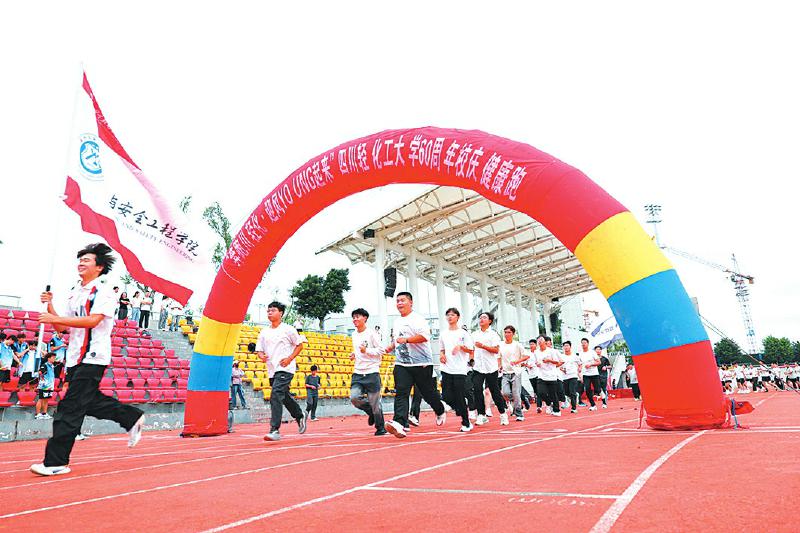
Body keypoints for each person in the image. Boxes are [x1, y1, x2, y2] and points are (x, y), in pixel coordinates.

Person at [30, 243, 145, 477]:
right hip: (73, 358)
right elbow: (61, 327)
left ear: (100, 267)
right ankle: (131, 416)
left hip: (93, 356)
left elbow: (93, 321)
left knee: (69, 409)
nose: (81, 263)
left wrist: (55, 315)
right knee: (87, 402)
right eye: (80, 259)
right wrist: (50, 305)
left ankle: (55, 462)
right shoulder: (75, 293)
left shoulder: (104, 293)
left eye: (87, 260)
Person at [384, 292, 446, 438]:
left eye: (402, 300)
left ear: (411, 302)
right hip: (402, 363)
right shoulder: (397, 321)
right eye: (397, 301)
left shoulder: (418, 319)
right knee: (401, 391)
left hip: (422, 363)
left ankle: (440, 409)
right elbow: (397, 339)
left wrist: (406, 340)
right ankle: (399, 423)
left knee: (428, 393)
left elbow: (424, 337)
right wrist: (390, 347)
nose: (399, 303)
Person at [256, 301, 308, 442]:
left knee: (275, 395)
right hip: (272, 370)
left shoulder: (289, 329)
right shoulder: (264, 332)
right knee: (283, 396)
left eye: (273, 310)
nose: (270, 313)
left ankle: (275, 429)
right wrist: (261, 356)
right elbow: (259, 350)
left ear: (281, 313)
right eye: (268, 311)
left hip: (286, 368)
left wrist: (289, 358)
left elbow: (300, 345)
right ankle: (299, 415)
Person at [348, 308, 386, 435]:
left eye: (357, 317)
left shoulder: (372, 334)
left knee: (375, 403)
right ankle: (370, 412)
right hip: (358, 372)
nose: (355, 319)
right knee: (354, 398)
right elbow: (359, 350)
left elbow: (381, 351)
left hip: (372, 372)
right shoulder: (353, 334)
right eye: (353, 317)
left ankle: (380, 427)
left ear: (365, 318)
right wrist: (355, 354)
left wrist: (367, 351)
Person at [439, 307, 474, 432]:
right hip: (446, 368)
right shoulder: (443, 333)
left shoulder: (463, 333)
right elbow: (442, 349)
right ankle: (459, 409)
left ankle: (466, 422)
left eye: (453, 315)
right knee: (446, 396)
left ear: (458, 317)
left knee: (459, 396)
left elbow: (470, 349)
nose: (450, 317)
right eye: (448, 315)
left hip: (460, 369)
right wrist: (442, 355)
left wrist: (460, 347)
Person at [471, 311, 508, 426]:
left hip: (491, 368)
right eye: (480, 317)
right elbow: (471, 349)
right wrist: (470, 360)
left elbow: (496, 350)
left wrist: (482, 346)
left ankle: (503, 414)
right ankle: (481, 415)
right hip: (478, 367)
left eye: (484, 318)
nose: (481, 319)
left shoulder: (493, 334)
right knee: (477, 389)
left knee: (494, 391)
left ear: (490, 321)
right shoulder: (474, 334)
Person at [499, 325, 528, 421]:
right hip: (505, 373)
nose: (507, 334)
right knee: (505, 392)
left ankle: (519, 413)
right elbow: (498, 357)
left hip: (516, 372)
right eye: (505, 332)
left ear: (513, 334)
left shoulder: (517, 345)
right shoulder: (501, 345)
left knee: (516, 393)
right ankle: (517, 401)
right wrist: (499, 366)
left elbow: (526, 356)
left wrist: (517, 361)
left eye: (509, 332)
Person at [533, 335, 563, 416]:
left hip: (551, 375)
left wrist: (549, 360)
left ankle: (557, 410)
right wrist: (537, 364)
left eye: (541, 340)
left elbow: (557, 362)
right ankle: (548, 403)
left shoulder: (551, 351)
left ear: (545, 342)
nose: (539, 342)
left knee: (553, 394)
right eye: (538, 340)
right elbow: (537, 362)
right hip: (541, 375)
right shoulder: (536, 352)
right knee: (541, 392)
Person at [579, 338, 603, 410]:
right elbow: (580, 364)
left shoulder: (592, 352)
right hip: (586, 374)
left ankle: (601, 393)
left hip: (594, 374)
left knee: (597, 389)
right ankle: (593, 405)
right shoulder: (580, 353)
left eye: (585, 343)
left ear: (588, 344)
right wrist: (580, 373)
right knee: (587, 389)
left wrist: (591, 364)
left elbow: (599, 362)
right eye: (582, 343)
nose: (583, 344)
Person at [35, 352, 57, 419]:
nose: (54, 359)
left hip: (50, 386)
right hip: (44, 386)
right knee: (41, 399)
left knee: (46, 399)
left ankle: (44, 413)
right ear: (49, 358)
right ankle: (38, 414)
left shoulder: (52, 366)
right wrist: (43, 379)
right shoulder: (44, 365)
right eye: (53, 357)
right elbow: (40, 372)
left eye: (54, 357)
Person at [560, 341, 580, 413]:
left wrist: (579, 369)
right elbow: (559, 366)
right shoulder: (561, 356)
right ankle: (575, 395)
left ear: (570, 347)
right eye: (564, 346)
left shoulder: (575, 356)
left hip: (573, 375)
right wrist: (562, 369)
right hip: (565, 376)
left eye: (567, 346)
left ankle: (574, 408)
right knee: (566, 392)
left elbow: (580, 364)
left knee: (572, 391)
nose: (566, 347)